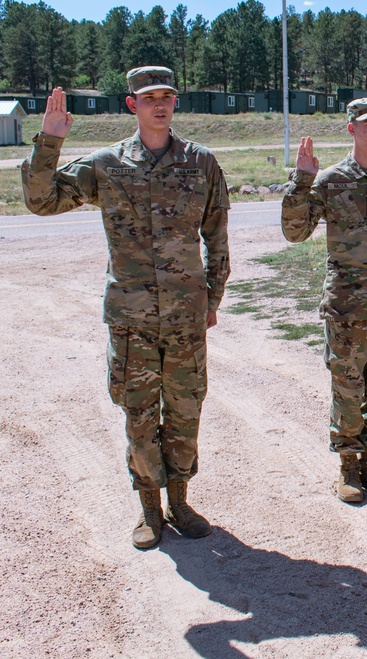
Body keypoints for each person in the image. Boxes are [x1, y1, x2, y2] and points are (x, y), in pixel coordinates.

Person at [21, 67, 231, 550]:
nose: (160, 104)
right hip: (131, 319)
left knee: (184, 410)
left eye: (167, 96)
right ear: (131, 104)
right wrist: (49, 143)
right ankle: (149, 508)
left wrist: (212, 299)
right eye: (148, 97)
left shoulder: (201, 163)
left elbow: (217, 236)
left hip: (184, 316)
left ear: (175, 103)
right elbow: (41, 201)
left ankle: (180, 500)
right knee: (138, 413)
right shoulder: (106, 163)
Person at [281, 98, 367, 504]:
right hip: (346, 305)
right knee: (347, 386)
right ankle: (347, 467)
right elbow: (295, 232)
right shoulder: (330, 181)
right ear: (351, 129)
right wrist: (301, 181)